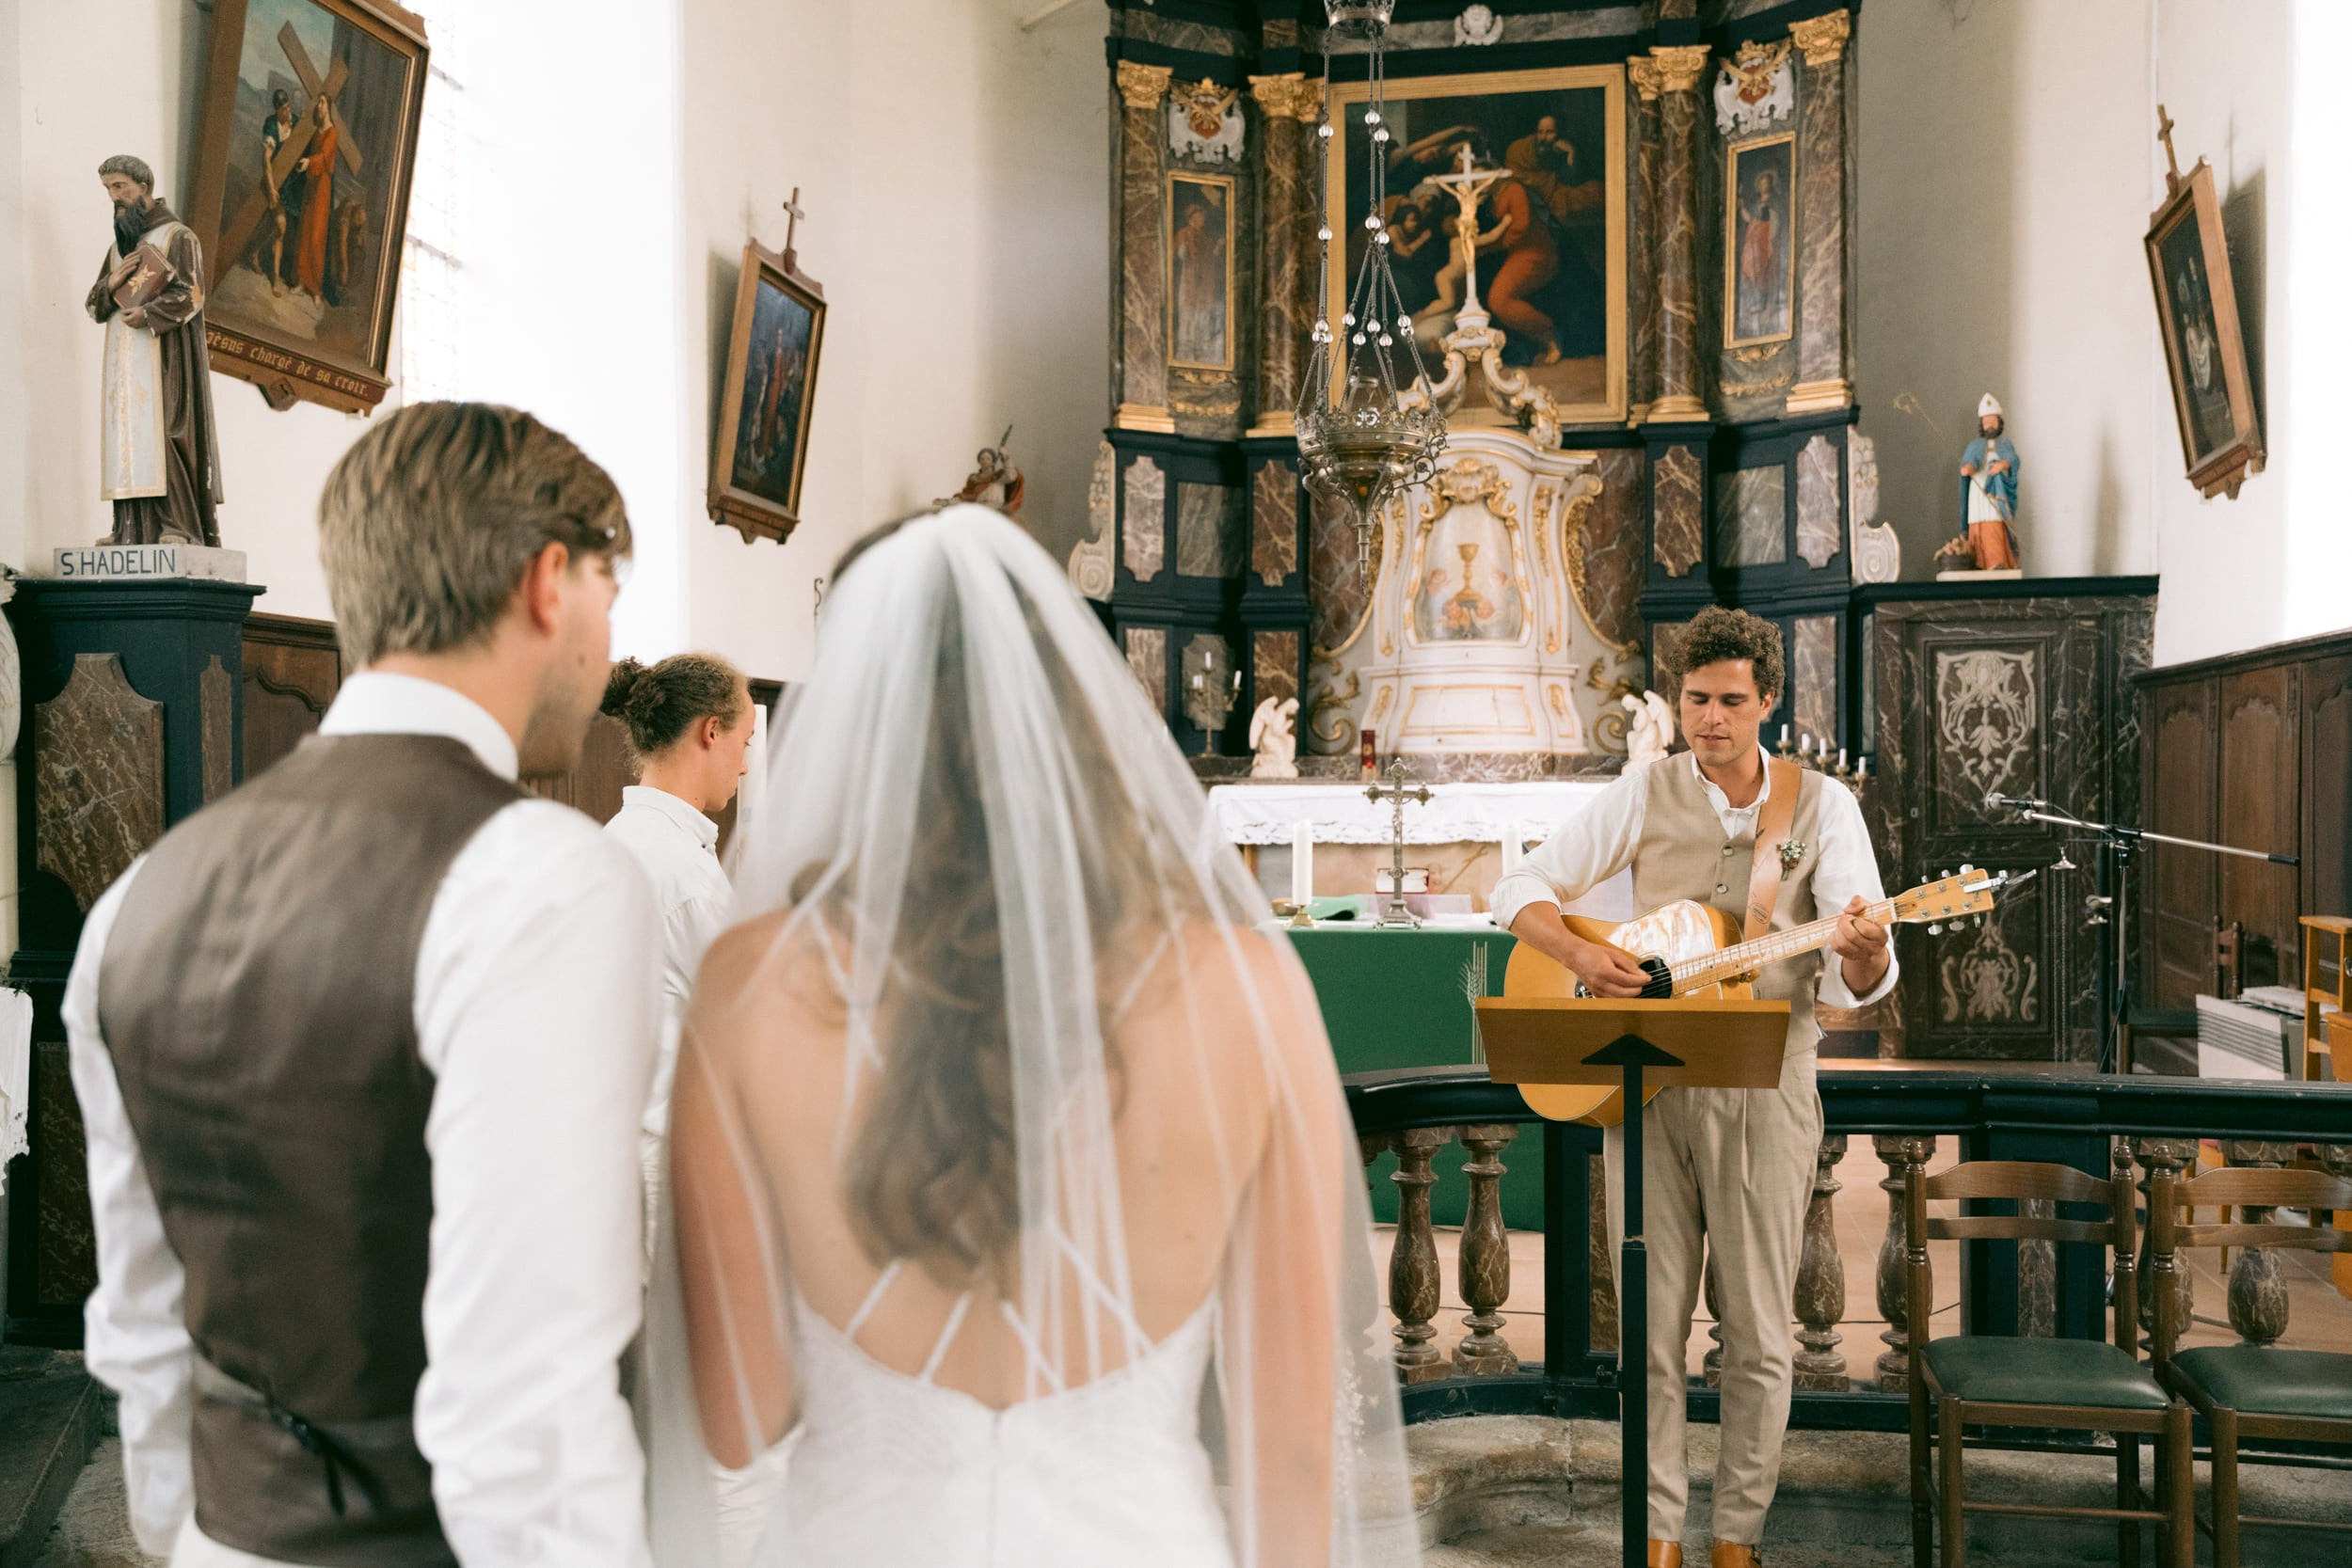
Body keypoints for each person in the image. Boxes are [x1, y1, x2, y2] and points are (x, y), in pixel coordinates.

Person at [641, 505, 1419, 1568]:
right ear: (1076, 708)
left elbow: (737, 1412)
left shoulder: (751, 989)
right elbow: (1288, 1451)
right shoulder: (1247, 994)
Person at [68, 402, 660, 1568]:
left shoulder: (142, 890)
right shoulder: (542, 878)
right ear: (550, 580)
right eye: (608, 592)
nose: (603, 645)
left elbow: (137, 1326)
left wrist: (190, 1531)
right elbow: (525, 1406)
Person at [1489, 606, 1895, 1568]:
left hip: (1767, 1086)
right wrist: (1577, 957)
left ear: (1767, 700)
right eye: (1695, 699)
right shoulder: (1645, 789)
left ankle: (1736, 1538)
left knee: (1757, 1329)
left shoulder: (1821, 806)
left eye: (1728, 701)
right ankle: (1661, 1532)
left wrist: (1869, 948)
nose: (1708, 719)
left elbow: (1860, 979)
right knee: (1651, 1326)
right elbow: (1524, 883)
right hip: (1651, 1083)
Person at [599, 652, 755, 1236]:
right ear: (711, 731)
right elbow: (747, 1024)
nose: (744, 767)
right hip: (670, 1162)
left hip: (616, 1150)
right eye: (745, 741)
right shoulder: (686, 877)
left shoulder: (615, 839)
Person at [87, 153, 223, 547]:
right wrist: (111, 283)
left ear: (143, 187)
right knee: (128, 438)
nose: (114, 197)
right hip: (124, 364)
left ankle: (177, 526)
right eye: (108, 189)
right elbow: (94, 306)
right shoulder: (118, 251)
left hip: (166, 358)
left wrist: (147, 314)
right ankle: (129, 531)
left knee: (166, 436)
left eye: (119, 187)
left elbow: (192, 294)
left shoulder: (177, 237)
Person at [1955, 393, 2022, 571]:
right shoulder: (1974, 445)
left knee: (1993, 524)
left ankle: (1996, 561)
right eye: (1986, 422)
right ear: (1982, 424)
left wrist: (2002, 465)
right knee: (1977, 524)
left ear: (1999, 423)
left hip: (1995, 492)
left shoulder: (2005, 444)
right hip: (1977, 494)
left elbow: (2013, 460)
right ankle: (1977, 562)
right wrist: (1967, 469)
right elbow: (1967, 465)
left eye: (1993, 421)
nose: (1990, 425)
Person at [292, 95, 340, 301]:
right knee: (304, 232)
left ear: (329, 107)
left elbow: (324, 155)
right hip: (311, 185)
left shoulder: (332, 132)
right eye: (318, 102)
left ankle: (316, 289)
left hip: (322, 188)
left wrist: (309, 163)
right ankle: (301, 281)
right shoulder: (316, 131)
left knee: (316, 237)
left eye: (322, 103)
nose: (319, 106)